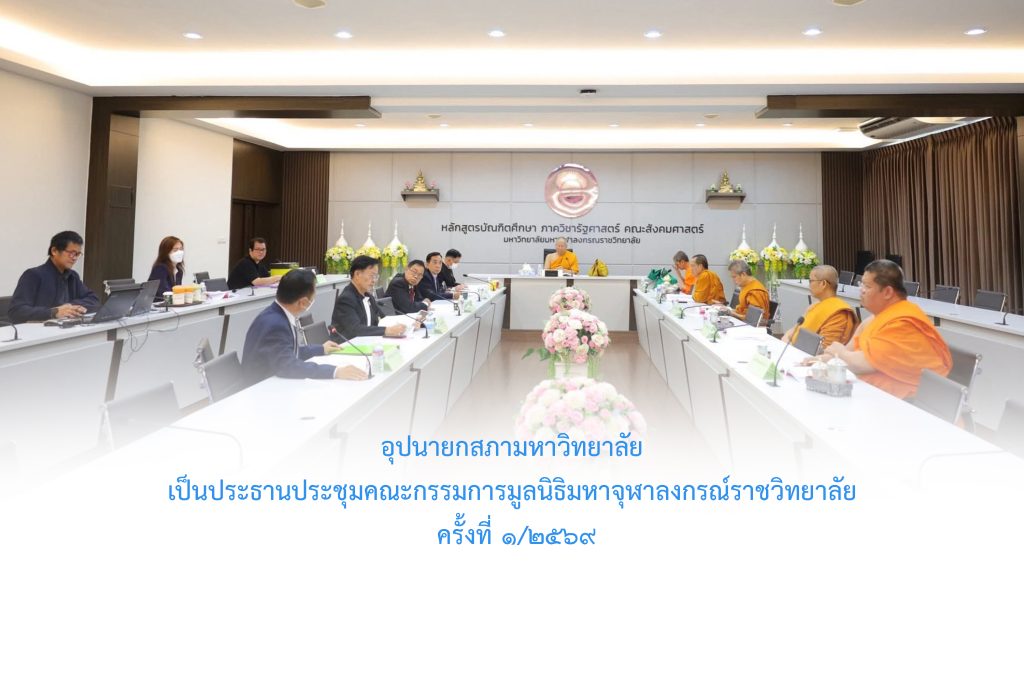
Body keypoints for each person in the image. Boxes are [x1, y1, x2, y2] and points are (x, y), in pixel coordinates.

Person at [820, 259, 951, 399]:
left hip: (910, 402)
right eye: (861, 284)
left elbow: (861, 364)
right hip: (876, 394)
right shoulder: (876, 318)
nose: (861, 290)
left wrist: (839, 353)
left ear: (888, 292)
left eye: (867, 286)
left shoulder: (902, 323)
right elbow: (848, 351)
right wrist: (819, 360)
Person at [241, 269, 367, 384]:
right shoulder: (276, 324)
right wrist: (335, 371)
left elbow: (288, 351)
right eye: (313, 296)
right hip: (262, 389)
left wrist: (321, 349)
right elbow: (289, 366)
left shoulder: (277, 314)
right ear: (303, 302)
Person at [9, 230, 99, 323]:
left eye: (77, 254)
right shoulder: (33, 275)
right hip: (39, 329)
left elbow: (94, 299)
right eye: (71, 253)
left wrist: (70, 307)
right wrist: (54, 312)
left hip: (66, 327)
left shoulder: (73, 276)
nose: (74, 258)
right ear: (54, 251)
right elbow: (16, 311)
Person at [332, 255, 407, 339]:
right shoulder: (346, 299)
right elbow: (356, 330)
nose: (374, 281)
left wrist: (406, 324)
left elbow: (383, 319)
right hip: (347, 345)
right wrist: (387, 330)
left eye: (376, 276)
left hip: (367, 342)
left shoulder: (368, 297)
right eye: (372, 276)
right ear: (357, 274)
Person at [782, 265, 857, 347]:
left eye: (811, 281)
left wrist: (790, 347)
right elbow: (794, 330)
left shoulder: (839, 313)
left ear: (823, 283)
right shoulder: (814, 306)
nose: (808, 285)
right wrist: (787, 340)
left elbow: (825, 348)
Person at [147, 236, 185, 300]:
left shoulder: (179, 271)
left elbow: (177, 292)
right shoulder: (160, 268)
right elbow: (163, 294)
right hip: (158, 304)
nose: (179, 252)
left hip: (171, 304)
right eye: (175, 250)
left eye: (181, 249)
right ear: (166, 252)